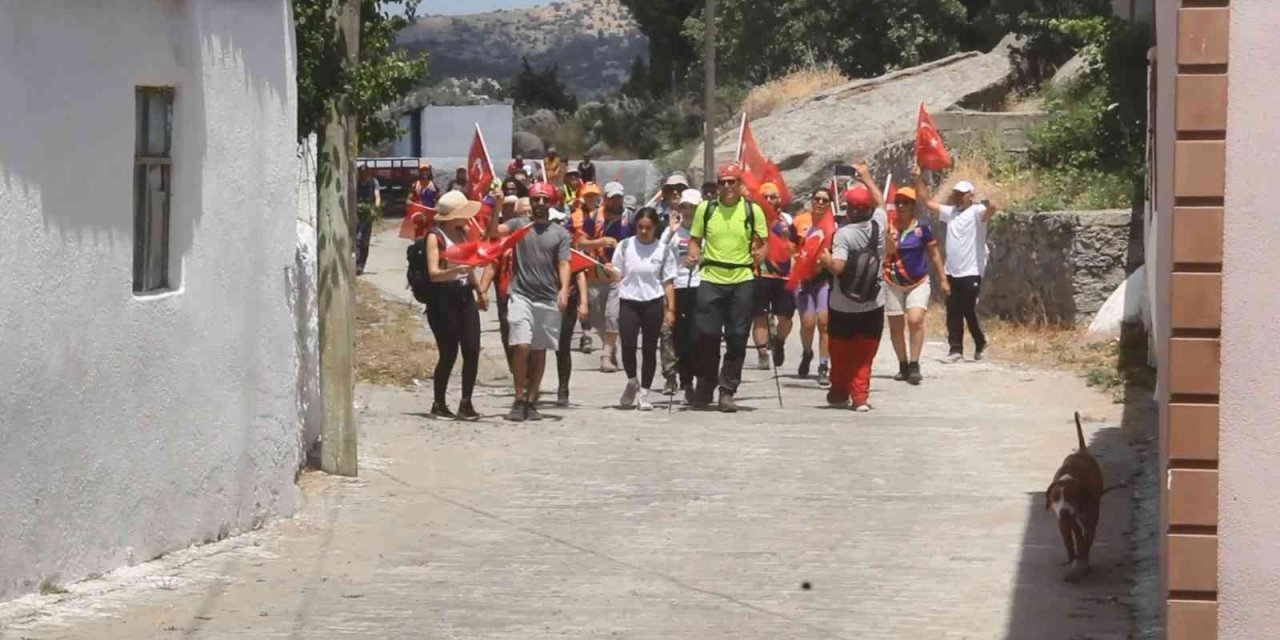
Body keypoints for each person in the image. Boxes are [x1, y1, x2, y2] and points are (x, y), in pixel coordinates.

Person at [481, 183, 572, 422]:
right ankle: (518, 397)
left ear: (551, 204)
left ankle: (531, 401)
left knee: (540, 350)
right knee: (521, 346)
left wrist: (563, 289)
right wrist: (498, 206)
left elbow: (564, 263)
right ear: (530, 204)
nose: (540, 204)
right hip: (520, 295)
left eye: (545, 200)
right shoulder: (518, 225)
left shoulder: (560, 234)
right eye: (536, 200)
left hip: (547, 297)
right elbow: (492, 233)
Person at [685, 163, 768, 412]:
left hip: (741, 277)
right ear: (718, 185)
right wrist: (692, 256)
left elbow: (763, 244)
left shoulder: (753, 211)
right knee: (705, 335)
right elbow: (695, 240)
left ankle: (727, 390)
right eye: (724, 182)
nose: (728, 186)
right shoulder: (706, 209)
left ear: (740, 184)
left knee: (737, 337)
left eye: (733, 181)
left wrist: (759, 256)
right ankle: (706, 382)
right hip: (711, 276)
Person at [818, 165, 887, 412]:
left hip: (842, 305)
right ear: (868, 209)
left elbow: (838, 268)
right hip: (873, 303)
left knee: (840, 352)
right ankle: (860, 398)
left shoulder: (844, 234)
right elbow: (881, 202)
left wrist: (825, 260)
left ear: (848, 209)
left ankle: (838, 392)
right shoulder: (879, 225)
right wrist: (867, 178)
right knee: (864, 354)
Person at [914, 166, 1000, 362]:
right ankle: (955, 350)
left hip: (971, 271)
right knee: (953, 310)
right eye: (956, 194)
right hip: (952, 271)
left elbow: (992, 210)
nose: (958, 197)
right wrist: (918, 178)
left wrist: (988, 202)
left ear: (970, 196)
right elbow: (927, 202)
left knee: (968, 309)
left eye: (962, 194)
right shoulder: (950, 212)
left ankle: (980, 342)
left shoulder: (977, 212)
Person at [421, 191, 488, 420]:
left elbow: (469, 267)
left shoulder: (463, 233)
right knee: (449, 352)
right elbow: (434, 274)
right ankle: (438, 403)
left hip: (464, 295)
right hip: (442, 298)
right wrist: (454, 271)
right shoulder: (434, 237)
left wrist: (479, 290)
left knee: (472, 349)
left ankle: (466, 403)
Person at [608, 208, 675, 411]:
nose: (644, 231)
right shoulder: (625, 245)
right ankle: (631, 381)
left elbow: (668, 281)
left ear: (655, 228)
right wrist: (610, 272)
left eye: (648, 228)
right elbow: (617, 273)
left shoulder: (662, 250)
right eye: (640, 227)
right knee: (628, 344)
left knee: (648, 348)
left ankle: (645, 392)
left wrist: (671, 309)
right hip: (629, 300)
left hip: (653, 301)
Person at [884, 184, 948, 385]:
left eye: (906, 202)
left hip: (917, 281)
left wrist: (943, 278)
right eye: (898, 202)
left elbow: (934, 253)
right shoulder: (888, 227)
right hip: (891, 281)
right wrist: (887, 241)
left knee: (915, 319)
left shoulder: (922, 228)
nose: (901, 206)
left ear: (913, 206)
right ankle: (902, 364)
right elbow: (882, 252)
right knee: (896, 325)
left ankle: (914, 364)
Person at [576, 181, 633, 372]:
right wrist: (599, 242)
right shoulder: (593, 217)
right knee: (598, 320)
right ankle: (610, 344)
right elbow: (581, 242)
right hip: (596, 273)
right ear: (606, 199)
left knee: (612, 316)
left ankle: (605, 356)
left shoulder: (630, 218)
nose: (616, 201)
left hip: (618, 276)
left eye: (619, 197)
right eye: (612, 197)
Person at [661, 188, 704, 402]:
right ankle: (685, 381)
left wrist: (700, 259)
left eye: (693, 208)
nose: (688, 211)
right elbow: (658, 255)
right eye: (685, 207)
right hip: (677, 287)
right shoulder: (673, 233)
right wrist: (670, 232)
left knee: (700, 336)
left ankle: (702, 377)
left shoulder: (706, 231)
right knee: (680, 337)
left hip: (700, 285)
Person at [791, 187, 836, 387]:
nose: (820, 203)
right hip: (803, 280)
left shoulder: (833, 227)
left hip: (823, 281)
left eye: (824, 200)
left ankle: (823, 365)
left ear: (829, 204)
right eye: (816, 198)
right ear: (811, 200)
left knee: (824, 322)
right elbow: (791, 247)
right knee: (807, 323)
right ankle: (807, 352)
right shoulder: (800, 222)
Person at [751, 182, 796, 371]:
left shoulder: (787, 220)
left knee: (786, 316)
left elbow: (795, 245)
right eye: (765, 197)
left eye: (772, 197)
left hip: (783, 275)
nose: (768, 200)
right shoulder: (753, 217)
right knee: (759, 315)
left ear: (779, 199)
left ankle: (779, 341)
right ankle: (762, 352)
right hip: (760, 272)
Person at [355, 166, 381, 276]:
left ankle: (361, 265)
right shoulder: (355, 181)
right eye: (361, 174)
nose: (363, 176)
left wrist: (375, 209)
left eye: (365, 174)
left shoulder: (373, 182)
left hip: (367, 213)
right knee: (356, 239)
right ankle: (354, 263)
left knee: (365, 241)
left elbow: (377, 197)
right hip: (356, 212)